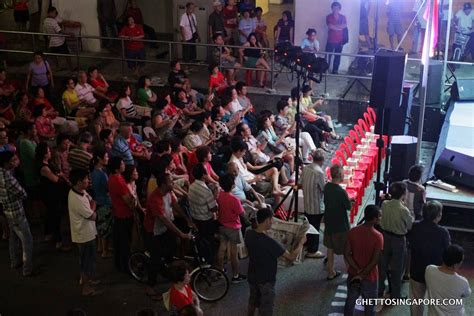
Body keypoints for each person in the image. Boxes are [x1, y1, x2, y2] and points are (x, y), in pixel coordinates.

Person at [245, 207, 306, 316]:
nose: (272, 222)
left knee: (253, 301)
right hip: (266, 279)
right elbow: (291, 257)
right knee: (266, 308)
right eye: (272, 219)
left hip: (252, 275)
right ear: (268, 220)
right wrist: (301, 242)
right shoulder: (270, 242)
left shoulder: (248, 233)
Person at [144, 172, 193, 300]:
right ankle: (150, 287)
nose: (173, 183)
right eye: (171, 181)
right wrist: (181, 234)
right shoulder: (154, 198)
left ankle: (168, 272)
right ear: (163, 184)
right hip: (153, 231)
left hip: (164, 229)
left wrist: (187, 219)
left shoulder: (168, 193)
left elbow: (176, 206)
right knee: (155, 259)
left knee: (171, 250)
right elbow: (164, 220)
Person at [408, 200, 450, 316]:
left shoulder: (415, 226)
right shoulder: (443, 232)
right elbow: (447, 251)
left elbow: (410, 245)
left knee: (416, 300)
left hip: (417, 268)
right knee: (435, 301)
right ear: (439, 216)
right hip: (436, 271)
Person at [344, 205, 383, 316]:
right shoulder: (378, 236)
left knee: (350, 302)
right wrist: (363, 273)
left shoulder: (352, 232)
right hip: (370, 276)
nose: (380, 218)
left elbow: (347, 254)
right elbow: (375, 260)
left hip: (353, 274)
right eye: (379, 216)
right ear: (374, 219)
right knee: (369, 306)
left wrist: (357, 270)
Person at [68, 169, 102, 296]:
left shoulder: (81, 191)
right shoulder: (75, 198)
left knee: (90, 259)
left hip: (89, 232)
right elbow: (93, 215)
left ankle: (90, 280)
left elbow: (92, 201)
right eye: (86, 179)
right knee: (86, 262)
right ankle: (86, 288)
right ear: (78, 182)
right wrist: (93, 207)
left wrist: (92, 206)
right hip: (83, 235)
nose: (88, 181)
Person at [0, 151, 34, 277]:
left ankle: (14, 261)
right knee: (27, 240)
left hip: (7, 210)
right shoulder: (9, 178)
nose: (16, 161)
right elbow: (22, 193)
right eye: (14, 159)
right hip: (17, 212)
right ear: (7, 163)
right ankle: (27, 269)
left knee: (13, 238)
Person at [378, 182, 414, 299]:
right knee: (397, 268)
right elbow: (409, 226)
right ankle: (395, 294)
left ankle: (379, 289)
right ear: (403, 194)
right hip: (398, 240)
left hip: (385, 236)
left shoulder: (384, 204)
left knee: (382, 264)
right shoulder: (404, 210)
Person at [35, 142, 70, 251]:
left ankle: (48, 234)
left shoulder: (47, 162)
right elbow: (55, 179)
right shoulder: (43, 167)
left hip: (54, 193)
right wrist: (59, 176)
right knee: (55, 216)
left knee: (51, 214)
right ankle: (58, 241)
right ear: (44, 154)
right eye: (48, 151)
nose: (50, 152)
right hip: (50, 194)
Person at [324, 164, 352, 280]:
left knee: (330, 248)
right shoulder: (341, 192)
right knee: (346, 250)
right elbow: (348, 207)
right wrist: (350, 201)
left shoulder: (327, 187)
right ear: (340, 175)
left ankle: (330, 272)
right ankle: (351, 273)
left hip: (329, 222)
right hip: (341, 225)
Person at [426, 244, 472, 315]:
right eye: (461, 261)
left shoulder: (429, 269)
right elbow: (466, 294)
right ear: (455, 264)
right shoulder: (462, 282)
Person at [217, 173, 246, 283]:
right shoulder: (234, 199)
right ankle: (235, 275)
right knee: (234, 253)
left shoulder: (219, 195)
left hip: (222, 225)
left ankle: (220, 270)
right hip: (233, 227)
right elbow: (241, 213)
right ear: (233, 185)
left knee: (222, 248)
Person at [108, 156, 135, 272]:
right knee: (125, 243)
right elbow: (128, 201)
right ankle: (126, 266)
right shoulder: (119, 180)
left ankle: (120, 264)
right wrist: (133, 197)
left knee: (120, 242)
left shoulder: (113, 178)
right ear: (117, 168)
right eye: (122, 164)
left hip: (118, 213)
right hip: (124, 214)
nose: (124, 165)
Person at [300, 149, 325, 259]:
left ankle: (308, 244)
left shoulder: (306, 168)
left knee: (309, 225)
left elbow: (300, 183)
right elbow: (323, 189)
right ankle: (312, 250)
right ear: (322, 160)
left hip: (307, 202)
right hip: (315, 205)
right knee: (315, 227)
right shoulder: (319, 172)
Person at [91, 149, 113, 259]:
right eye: (106, 156)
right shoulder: (102, 174)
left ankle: (100, 247)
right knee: (105, 227)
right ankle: (105, 251)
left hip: (97, 200)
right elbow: (108, 189)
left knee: (99, 225)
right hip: (105, 201)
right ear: (100, 158)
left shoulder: (94, 172)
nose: (107, 158)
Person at [326, 2, 347, 74]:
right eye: (334, 8)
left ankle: (335, 70)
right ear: (332, 8)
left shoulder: (343, 17)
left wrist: (335, 27)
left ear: (339, 9)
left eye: (337, 8)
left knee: (337, 56)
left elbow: (344, 26)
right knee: (328, 56)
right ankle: (326, 70)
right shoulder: (329, 16)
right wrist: (339, 27)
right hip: (331, 40)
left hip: (340, 40)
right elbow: (330, 26)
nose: (335, 9)